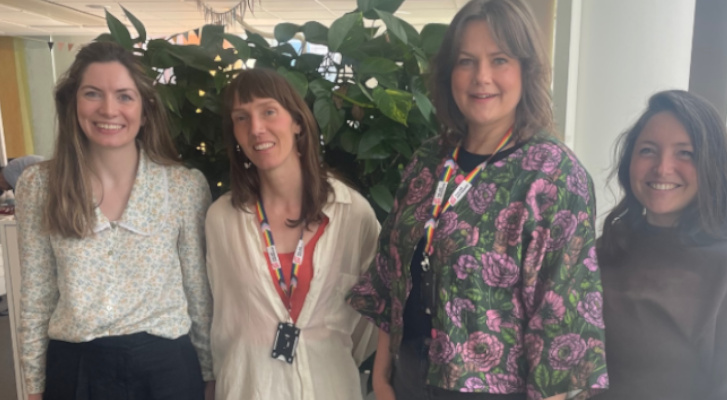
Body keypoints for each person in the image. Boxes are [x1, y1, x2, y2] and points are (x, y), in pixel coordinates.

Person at [347, 0, 608, 399]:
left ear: (526, 70)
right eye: (466, 61)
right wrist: (381, 377)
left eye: (500, 59)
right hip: (409, 374)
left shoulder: (552, 174)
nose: (481, 77)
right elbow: (392, 272)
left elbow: (560, 318)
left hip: (495, 389)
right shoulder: (429, 161)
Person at [15, 41, 214, 400]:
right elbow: (37, 295)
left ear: (146, 108)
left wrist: (210, 374)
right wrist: (32, 384)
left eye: (124, 96)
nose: (109, 109)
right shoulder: (40, 185)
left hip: (168, 370)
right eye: (93, 94)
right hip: (76, 370)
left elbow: (198, 293)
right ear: (72, 102)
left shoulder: (183, 187)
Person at [595, 90, 727, 400]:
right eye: (648, 150)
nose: (662, 168)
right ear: (628, 162)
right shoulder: (608, 249)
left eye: (685, 153)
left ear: (712, 166)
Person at [204, 68, 380, 400]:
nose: (256, 128)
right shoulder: (221, 220)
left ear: (297, 122)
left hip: (331, 387)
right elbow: (218, 317)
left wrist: (322, 351)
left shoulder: (353, 214)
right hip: (248, 388)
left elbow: (371, 318)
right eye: (242, 118)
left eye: (269, 112)